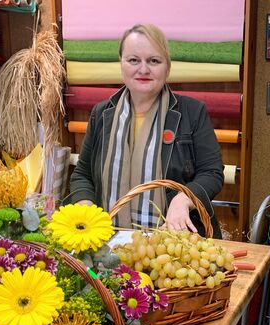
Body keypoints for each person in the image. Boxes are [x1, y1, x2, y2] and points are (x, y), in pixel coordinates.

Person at [67, 24, 224, 238]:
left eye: (154, 61)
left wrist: (184, 199)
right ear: (121, 63)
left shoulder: (192, 112)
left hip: (172, 242)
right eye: (133, 60)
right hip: (108, 240)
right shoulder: (102, 113)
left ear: (167, 68)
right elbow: (82, 174)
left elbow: (212, 173)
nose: (143, 69)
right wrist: (85, 208)